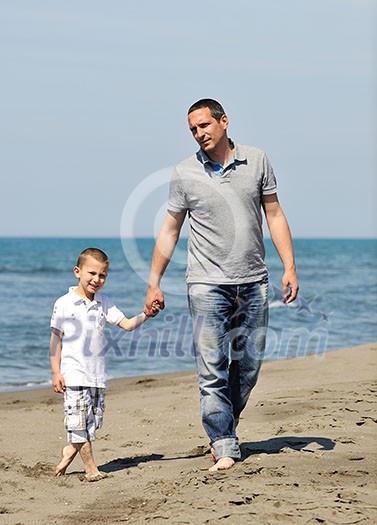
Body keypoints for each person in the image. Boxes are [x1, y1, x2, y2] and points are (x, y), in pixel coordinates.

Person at [144, 98, 299, 471]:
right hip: (205, 284)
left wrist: (289, 267)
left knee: (247, 367)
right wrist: (154, 283)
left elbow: (274, 214)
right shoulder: (184, 172)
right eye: (193, 130)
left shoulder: (257, 160)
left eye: (204, 125)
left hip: (253, 282)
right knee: (211, 368)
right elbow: (170, 230)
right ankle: (224, 443)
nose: (199, 134)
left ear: (224, 122)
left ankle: (224, 426)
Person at [50, 247, 159, 481]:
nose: (97, 280)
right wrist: (56, 372)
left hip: (97, 376)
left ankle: (70, 450)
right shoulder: (64, 303)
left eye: (102, 275)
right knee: (78, 424)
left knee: (91, 425)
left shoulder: (104, 303)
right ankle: (91, 469)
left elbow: (128, 325)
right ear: (77, 272)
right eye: (92, 273)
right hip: (74, 375)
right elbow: (55, 340)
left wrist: (147, 314)